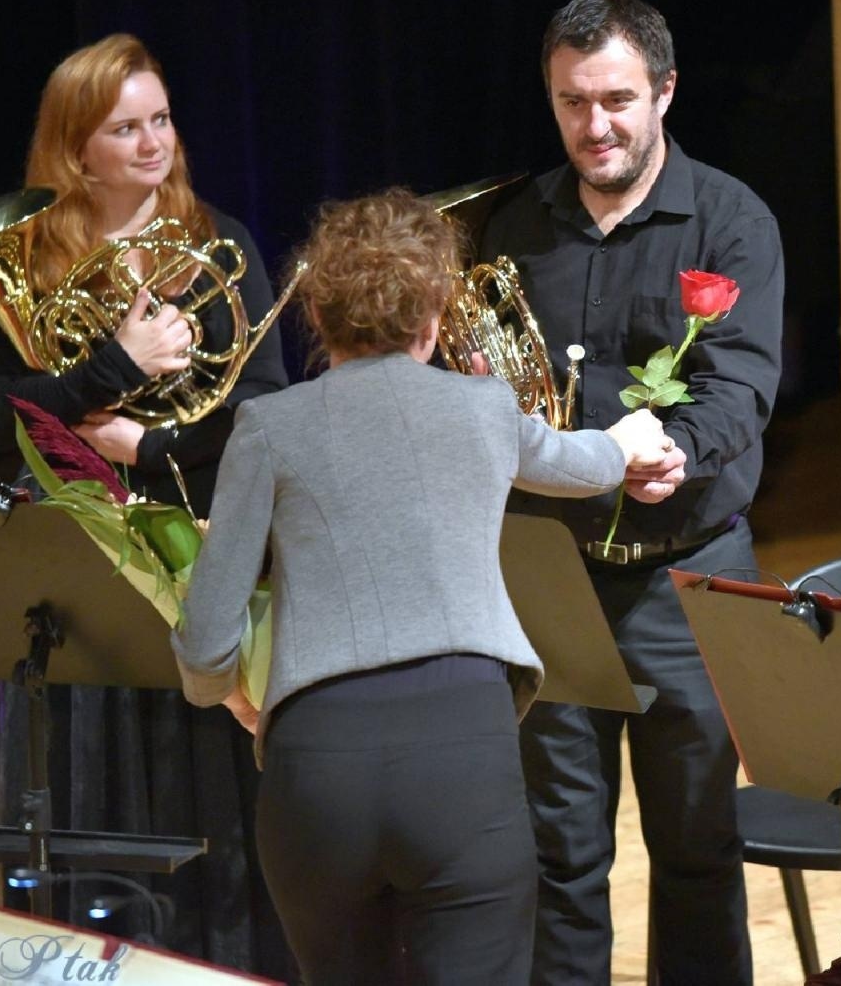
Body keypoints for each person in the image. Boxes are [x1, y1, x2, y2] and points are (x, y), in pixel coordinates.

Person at [173, 187, 672, 985]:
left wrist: (228, 688)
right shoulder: (484, 407)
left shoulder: (266, 429)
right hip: (462, 765)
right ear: (435, 310)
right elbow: (582, 463)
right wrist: (629, 442)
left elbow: (204, 646)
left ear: (319, 316)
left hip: (317, 771)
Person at [477, 0, 784, 985]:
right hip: (551, 576)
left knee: (697, 848)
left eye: (615, 99)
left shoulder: (731, 220)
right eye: (572, 102)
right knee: (559, 855)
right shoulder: (508, 226)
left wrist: (677, 451)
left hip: (686, 572)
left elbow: (740, 383)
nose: (594, 126)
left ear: (664, 92)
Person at [0, 33, 292, 977]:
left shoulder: (218, 244)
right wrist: (117, 369)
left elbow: (263, 406)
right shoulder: (27, 258)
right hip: (75, 543)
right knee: (76, 775)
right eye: (125, 127)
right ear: (77, 150)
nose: (154, 143)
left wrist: (146, 442)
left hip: (190, 543)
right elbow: (0, 415)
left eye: (160, 119)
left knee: (194, 780)